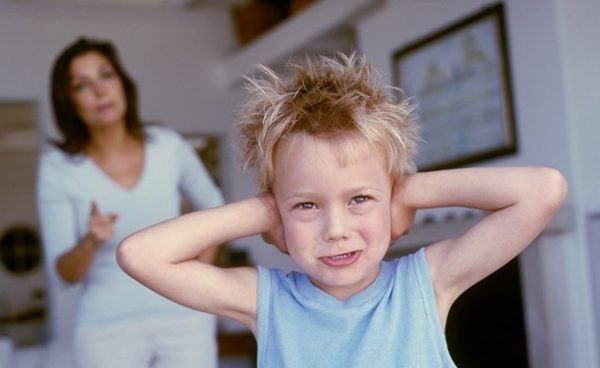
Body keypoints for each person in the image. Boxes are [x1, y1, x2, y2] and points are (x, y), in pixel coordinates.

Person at [116, 53, 567, 367]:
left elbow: (543, 190)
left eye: (359, 200)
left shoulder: (424, 284)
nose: (336, 229)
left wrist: (405, 193)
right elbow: (139, 254)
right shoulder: (266, 302)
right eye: (307, 205)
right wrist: (264, 212)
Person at [36, 37, 224, 368]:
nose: (99, 91)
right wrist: (91, 241)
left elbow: (216, 210)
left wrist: (198, 277)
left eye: (106, 75)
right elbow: (64, 275)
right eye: (82, 85)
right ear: (69, 102)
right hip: (106, 328)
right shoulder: (58, 168)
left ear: (123, 82)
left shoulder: (167, 146)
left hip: (184, 318)